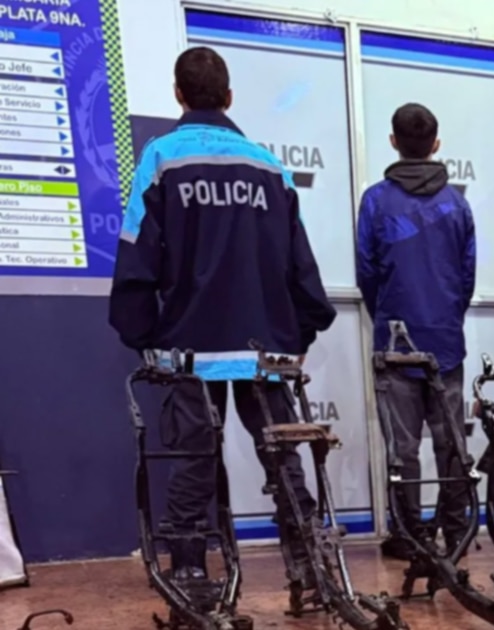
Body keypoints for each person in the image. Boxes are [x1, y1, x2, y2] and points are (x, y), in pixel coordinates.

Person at [109, 47, 336, 585]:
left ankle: (190, 571)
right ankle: (310, 567)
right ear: (229, 97)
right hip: (265, 348)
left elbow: (137, 252)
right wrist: (301, 330)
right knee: (282, 456)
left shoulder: (162, 158)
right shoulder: (268, 166)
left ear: (178, 94)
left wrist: (143, 335)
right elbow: (299, 260)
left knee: (194, 459)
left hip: (191, 345)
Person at [356, 103, 476, 559]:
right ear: (436, 144)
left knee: (402, 448)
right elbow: (466, 276)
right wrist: (446, 317)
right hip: (446, 341)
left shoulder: (375, 201)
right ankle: (457, 530)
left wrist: (387, 316)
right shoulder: (457, 204)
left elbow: (367, 273)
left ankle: (409, 536)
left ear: (393, 142)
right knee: (452, 443)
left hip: (394, 342)